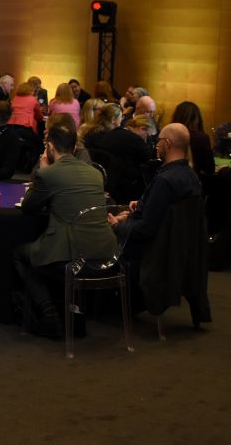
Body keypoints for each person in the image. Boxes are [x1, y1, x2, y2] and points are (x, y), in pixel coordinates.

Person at [14, 124, 115, 338]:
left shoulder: (48, 174)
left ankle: (49, 314)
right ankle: (72, 313)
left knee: (21, 253)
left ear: (50, 147)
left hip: (73, 255)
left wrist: (41, 169)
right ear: (74, 147)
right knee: (46, 251)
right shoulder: (95, 173)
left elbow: (28, 207)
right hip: (106, 253)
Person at [108, 123, 206, 313]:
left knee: (99, 239)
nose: (156, 145)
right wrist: (142, 205)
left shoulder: (165, 180)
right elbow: (166, 213)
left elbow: (145, 229)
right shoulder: (191, 177)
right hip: (179, 250)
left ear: (168, 143)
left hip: (153, 252)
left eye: (159, 141)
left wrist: (116, 225)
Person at [170, 100, 215, 182]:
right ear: (196, 119)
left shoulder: (168, 135)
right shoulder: (201, 138)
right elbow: (209, 169)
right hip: (193, 183)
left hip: (170, 181)